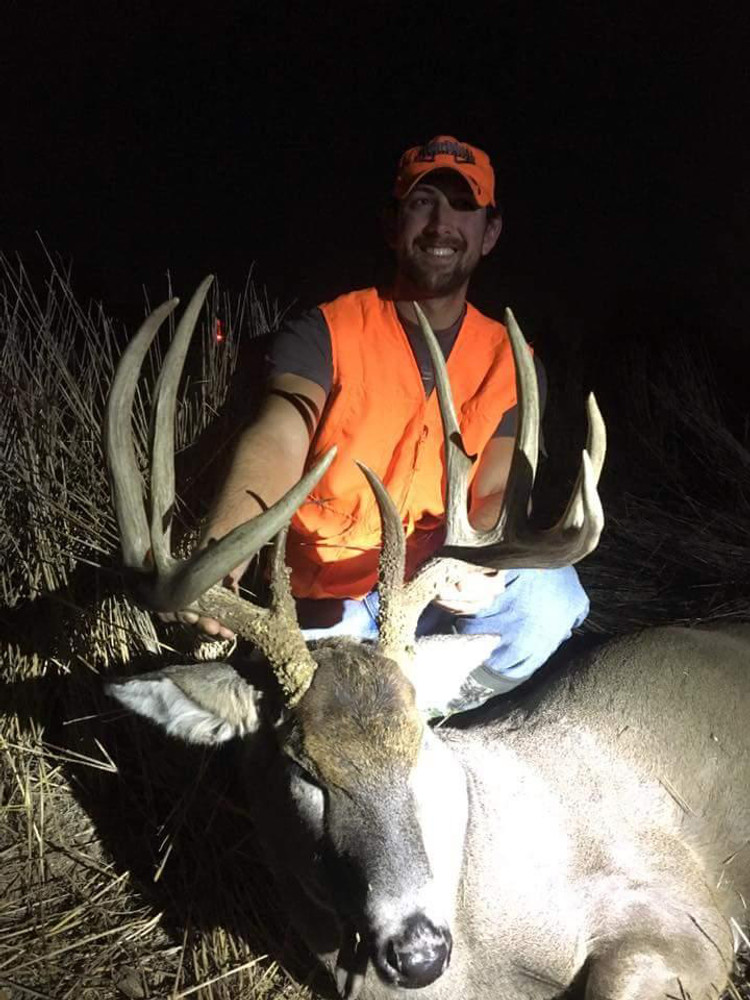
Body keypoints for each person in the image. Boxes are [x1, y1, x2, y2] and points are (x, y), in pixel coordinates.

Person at [173, 135, 589, 713]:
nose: (441, 223)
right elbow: (279, 431)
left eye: (462, 206)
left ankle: (433, 713)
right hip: (327, 602)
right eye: (422, 203)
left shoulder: (510, 359)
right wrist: (223, 550)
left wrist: (481, 559)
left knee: (550, 598)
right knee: (288, 715)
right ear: (392, 224)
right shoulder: (326, 331)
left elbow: (497, 485)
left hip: (432, 591)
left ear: (489, 233)